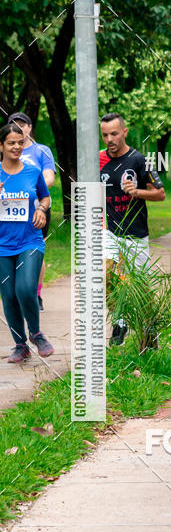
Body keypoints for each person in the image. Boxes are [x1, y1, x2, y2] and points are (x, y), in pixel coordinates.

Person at [99, 113, 166, 346]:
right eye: (105, 134)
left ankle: (149, 331)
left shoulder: (139, 160)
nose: (110, 139)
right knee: (105, 276)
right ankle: (120, 320)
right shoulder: (98, 160)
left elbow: (160, 193)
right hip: (109, 231)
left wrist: (137, 192)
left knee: (141, 287)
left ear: (124, 132)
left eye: (114, 134)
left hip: (136, 232)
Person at [0, 123, 54, 362]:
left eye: (20, 142)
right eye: (11, 143)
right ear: (1, 145)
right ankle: (20, 345)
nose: (16, 147)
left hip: (30, 240)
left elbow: (45, 196)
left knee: (24, 288)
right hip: (2, 245)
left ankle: (37, 334)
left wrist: (42, 209)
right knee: (8, 295)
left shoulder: (32, 171)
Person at [8, 112, 57, 310]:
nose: (20, 128)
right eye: (15, 125)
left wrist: (26, 190)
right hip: (9, 209)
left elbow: (49, 178)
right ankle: (15, 295)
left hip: (38, 208)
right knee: (10, 251)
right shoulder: (6, 149)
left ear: (29, 128)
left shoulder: (41, 151)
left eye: (23, 124)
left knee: (35, 252)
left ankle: (35, 295)